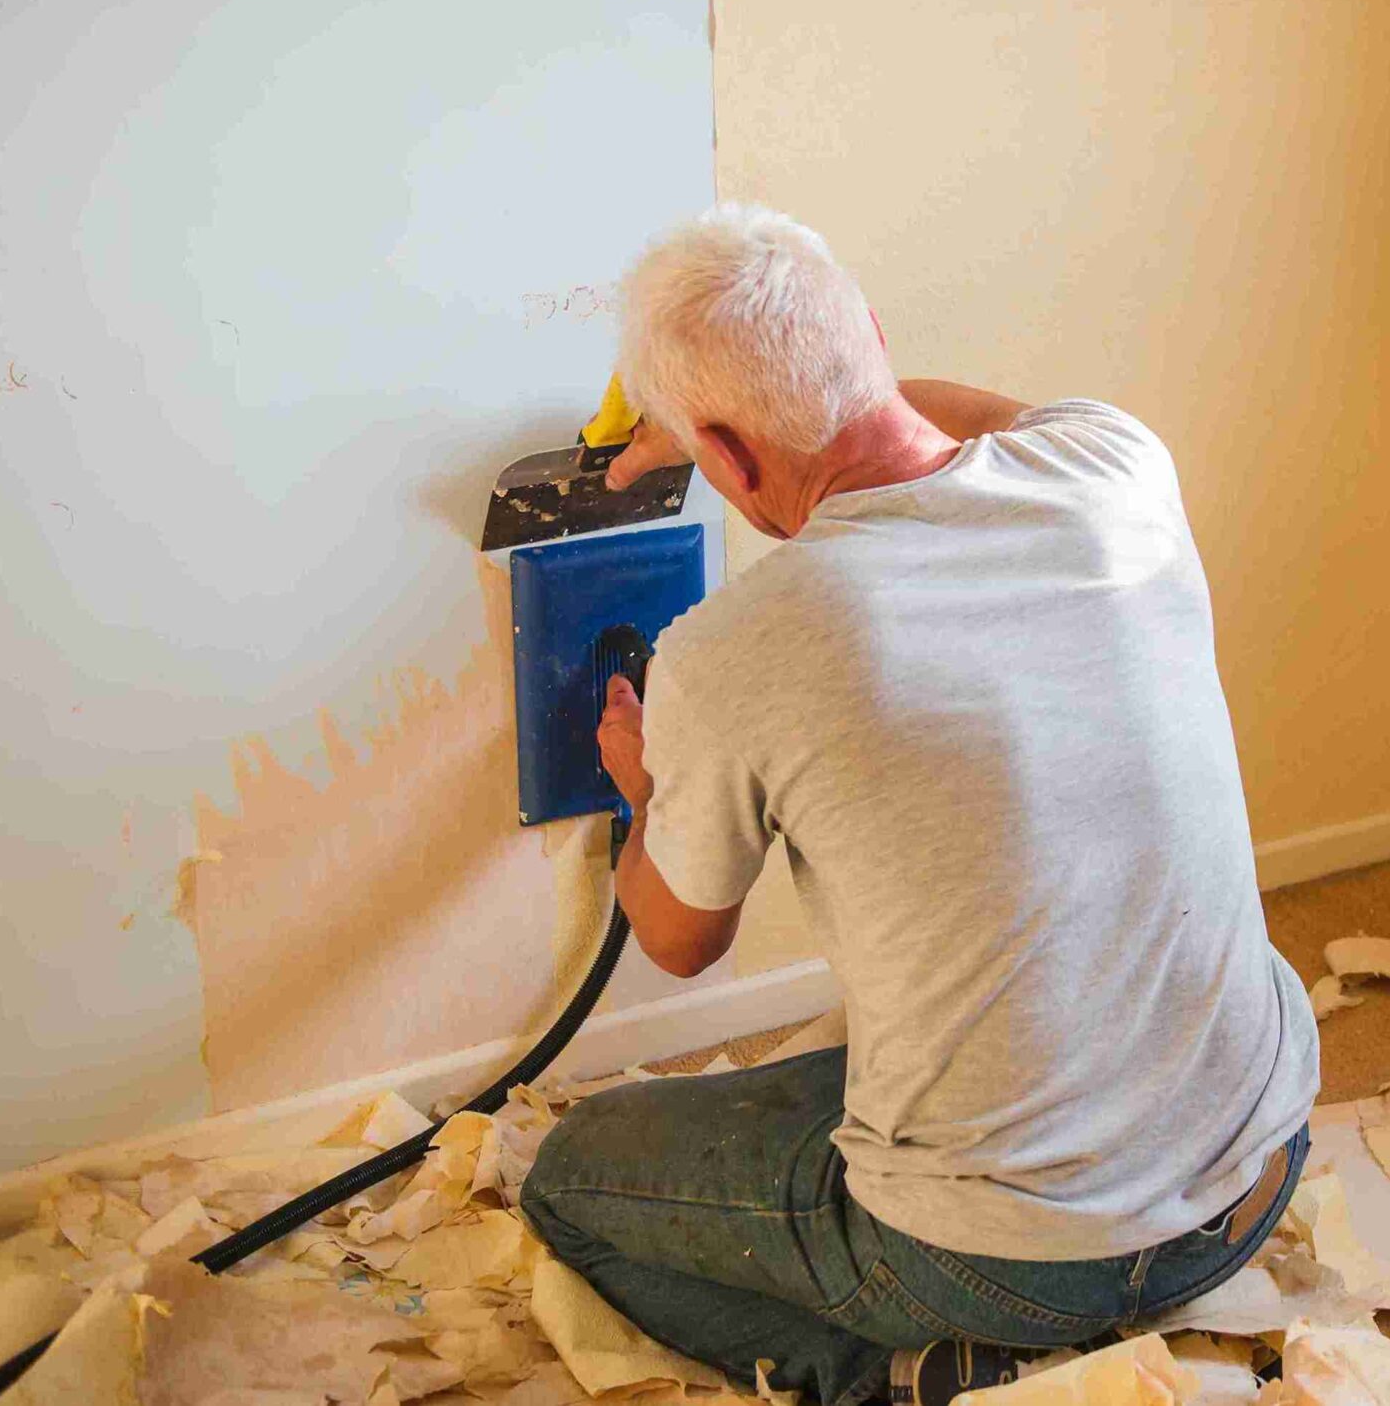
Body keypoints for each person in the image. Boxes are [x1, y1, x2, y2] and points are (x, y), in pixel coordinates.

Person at [518, 203, 1319, 1406]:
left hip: (1015, 1266)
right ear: (876, 343)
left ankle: (896, 1377)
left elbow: (680, 941)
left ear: (725, 459)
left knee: (571, 1178)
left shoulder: (740, 647)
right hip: (1257, 1171)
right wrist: (774, 403)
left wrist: (644, 794)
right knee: (862, 1076)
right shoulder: (1114, 463)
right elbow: (965, 416)